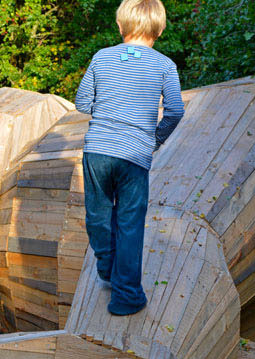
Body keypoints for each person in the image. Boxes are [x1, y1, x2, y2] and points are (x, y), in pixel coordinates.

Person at [74, 0, 184, 316]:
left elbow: (82, 103)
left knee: (97, 213)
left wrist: (110, 114)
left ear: (120, 26)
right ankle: (126, 297)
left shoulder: (101, 58)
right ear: (160, 29)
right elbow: (176, 111)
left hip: (97, 151)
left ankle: (107, 267)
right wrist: (154, 139)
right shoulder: (164, 65)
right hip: (135, 155)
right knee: (130, 223)